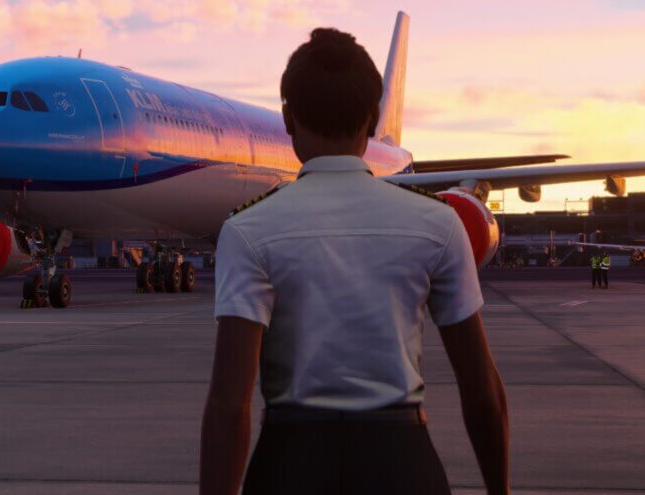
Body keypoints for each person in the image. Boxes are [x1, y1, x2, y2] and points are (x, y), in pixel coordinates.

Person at [200, 28, 509, 495]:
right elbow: (482, 390)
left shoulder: (247, 231)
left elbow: (229, 405)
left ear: (288, 119)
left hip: (289, 462)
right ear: (370, 121)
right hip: (403, 463)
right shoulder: (437, 224)